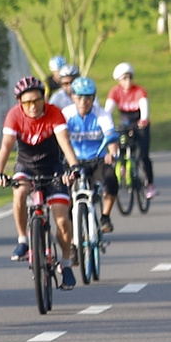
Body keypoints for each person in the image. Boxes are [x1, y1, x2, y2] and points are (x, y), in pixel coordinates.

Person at [0, 76, 84, 290]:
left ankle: (66, 263)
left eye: (37, 101)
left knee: (62, 219)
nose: (33, 107)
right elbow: (6, 146)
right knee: (19, 192)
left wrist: (74, 167)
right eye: (27, 103)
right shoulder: (14, 115)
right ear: (20, 103)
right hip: (26, 166)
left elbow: (65, 142)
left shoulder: (54, 113)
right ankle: (23, 240)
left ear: (44, 99)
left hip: (53, 168)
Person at [63, 77, 120, 232]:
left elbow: (110, 136)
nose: (84, 102)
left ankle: (105, 217)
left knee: (111, 179)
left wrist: (112, 153)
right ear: (72, 97)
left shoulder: (102, 115)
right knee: (64, 194)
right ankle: (73, 237)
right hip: (73, 161)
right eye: (79, 97)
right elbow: (59, 138)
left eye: (88, 98)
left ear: (93, 98)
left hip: (97, 159)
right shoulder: (66, 115)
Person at [105, 62, 155, 200]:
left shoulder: (139, 91)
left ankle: (150, 184)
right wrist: (105, 123)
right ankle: (123, 166)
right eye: (124, 78)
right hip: (125, 125)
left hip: (140, 125)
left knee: (143, 155)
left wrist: (143, 120)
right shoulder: (115, 92)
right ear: (119, 80)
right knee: (120, 148)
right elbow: (107, 112)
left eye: (130, 77)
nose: (128, 81)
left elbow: (144, 108)